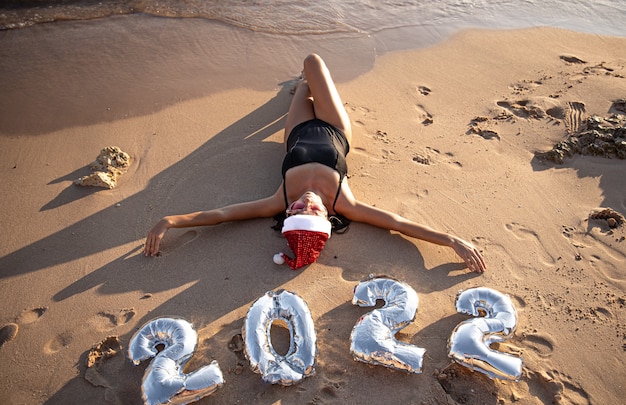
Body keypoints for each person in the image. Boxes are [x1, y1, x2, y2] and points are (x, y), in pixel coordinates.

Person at [144, 53, 486, 273]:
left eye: (296, 212)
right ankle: (304, 88)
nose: (303, 204)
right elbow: (397, 222)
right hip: (335, 127)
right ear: (327, 217)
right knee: (313, 62)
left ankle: (300, 91)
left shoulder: (277, 200)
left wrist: (170, 220)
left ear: (288, 216)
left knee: (304, 88)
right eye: (312, 211)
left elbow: (222, 214)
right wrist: (451, 240)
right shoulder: (344, 203)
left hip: (296, 132)